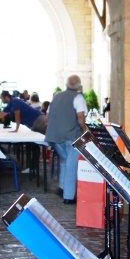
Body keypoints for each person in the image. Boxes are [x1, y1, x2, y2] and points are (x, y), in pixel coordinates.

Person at [45, 75, 88, 204]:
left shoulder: (56, 96)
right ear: (79, 85)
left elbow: (47, 115)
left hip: (54, 136)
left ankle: (62, 188)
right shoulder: (78, 97)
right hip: (71, 135)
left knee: (65, 160)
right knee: (72, 164)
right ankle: (69, 196)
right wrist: (85, 129)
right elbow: (80, 116)